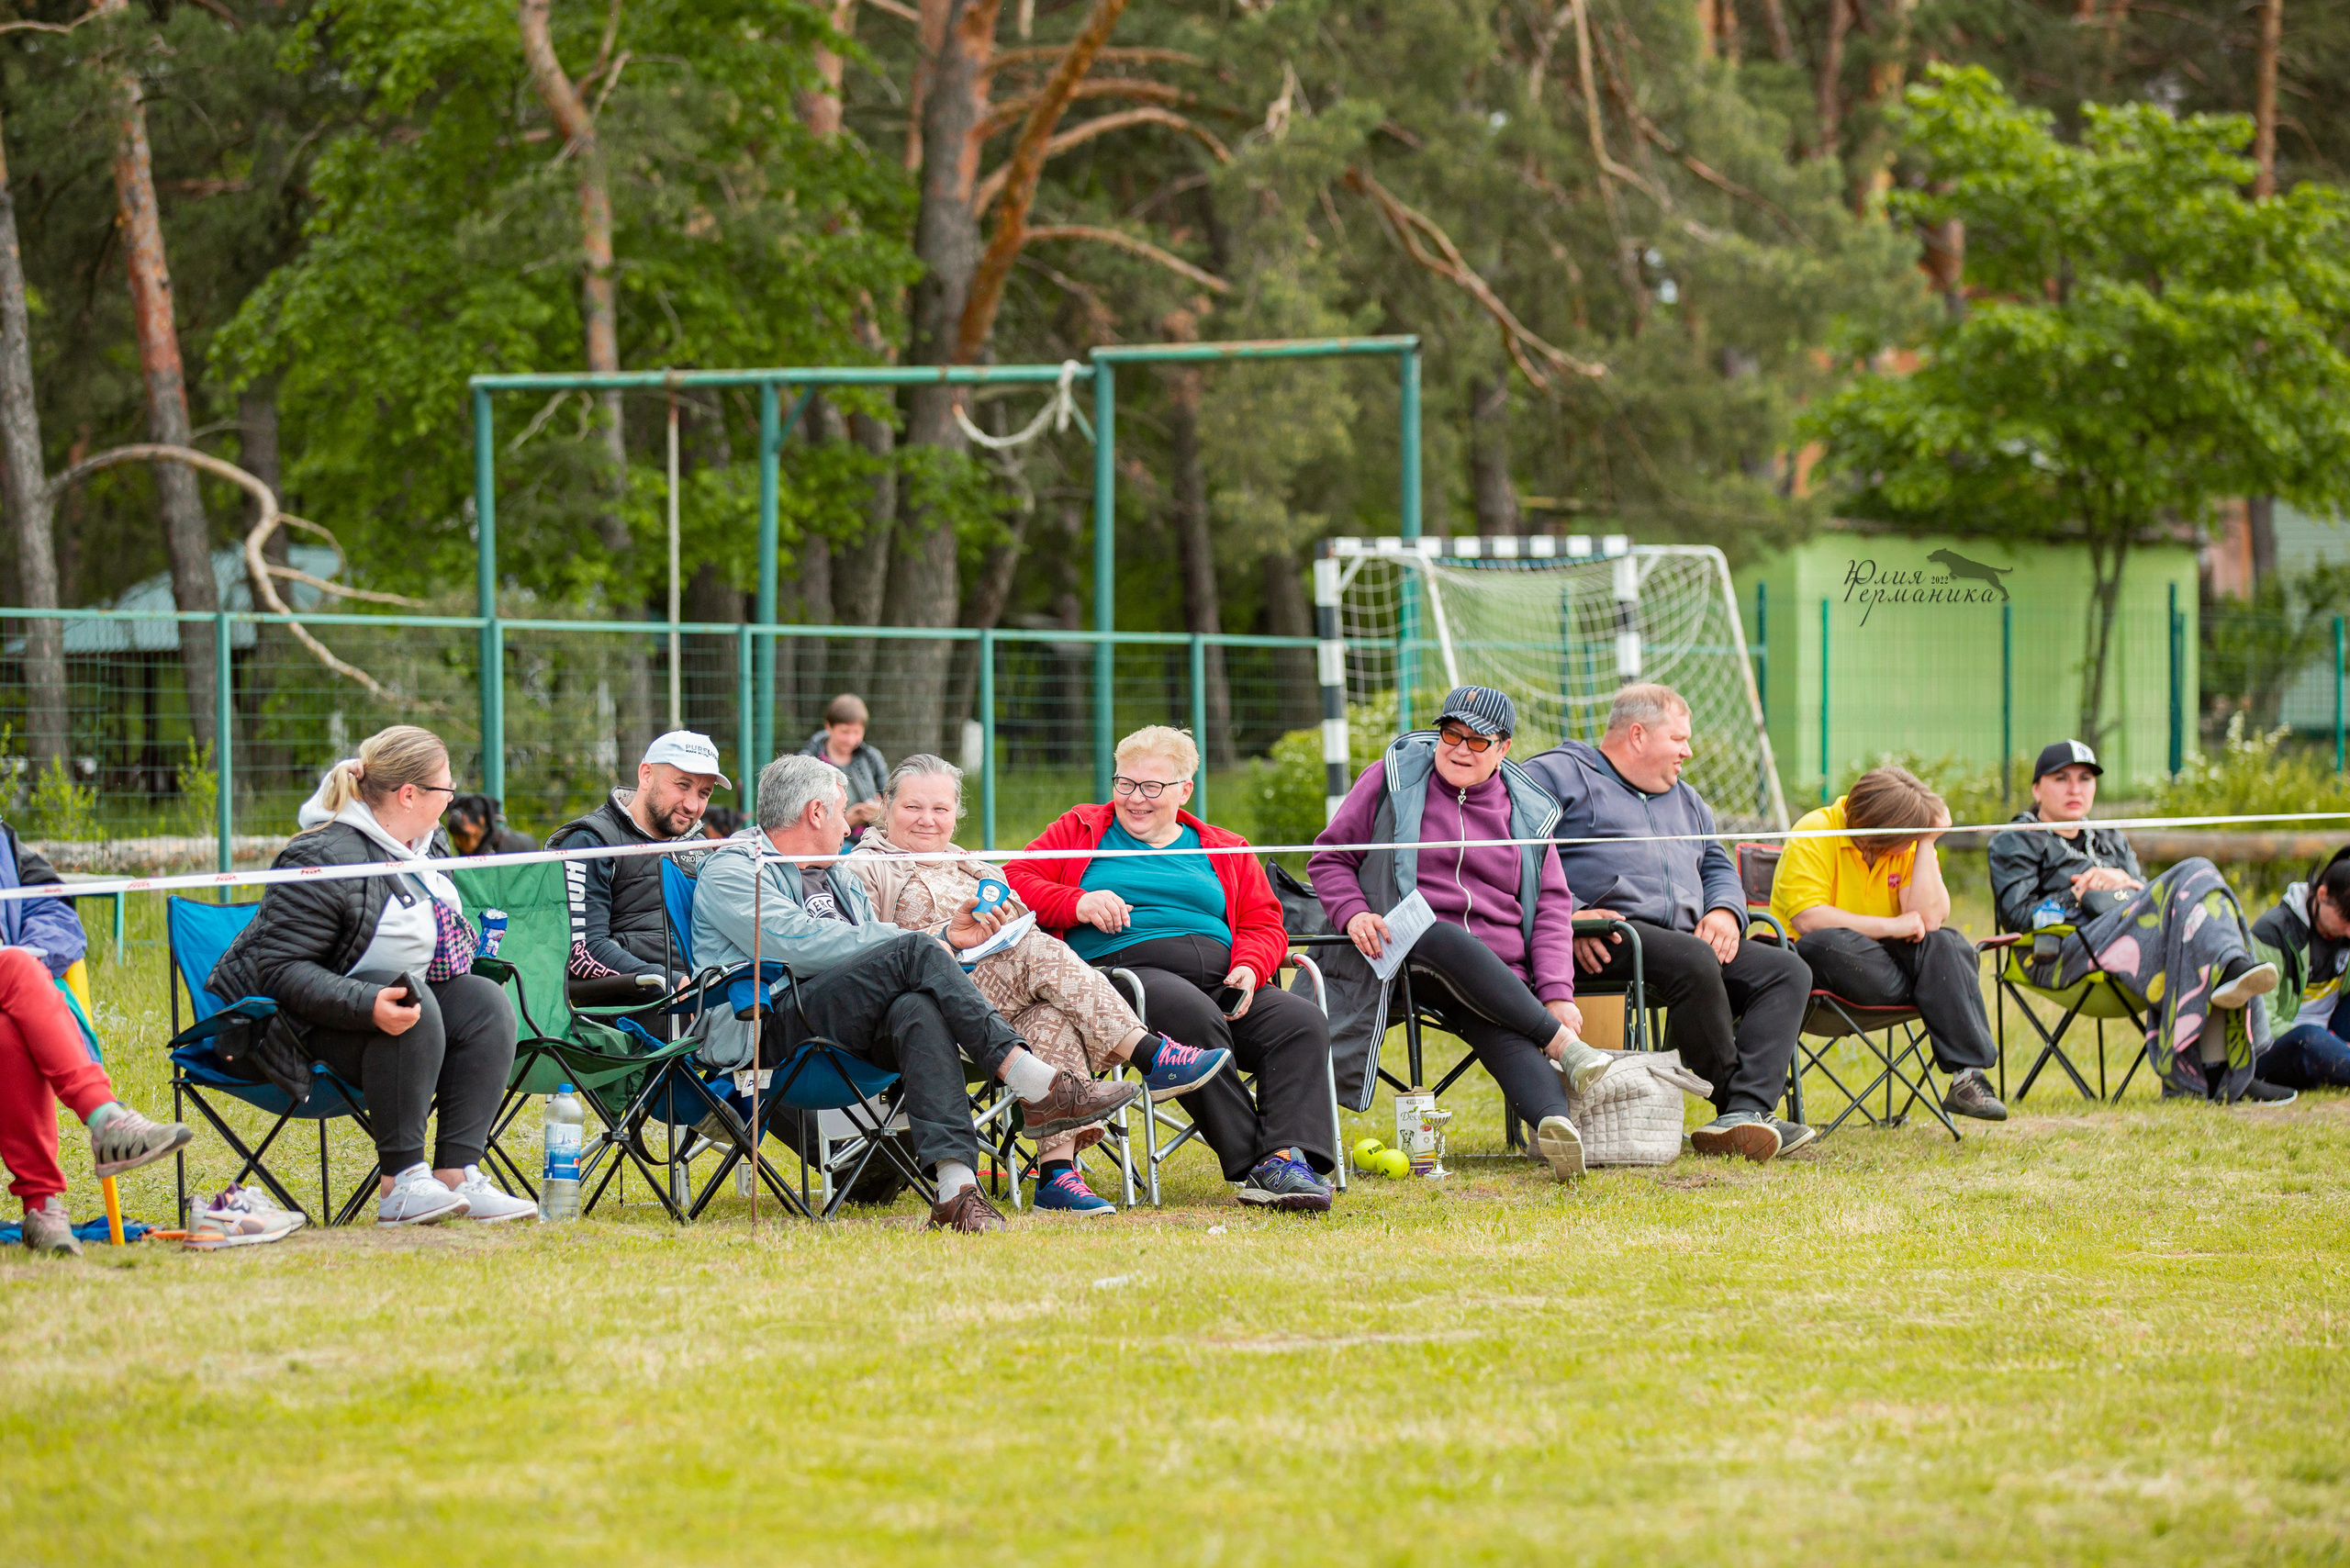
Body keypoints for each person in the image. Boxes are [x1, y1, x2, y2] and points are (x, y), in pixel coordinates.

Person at [691, 755, 1140, 1233]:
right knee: (914, 949)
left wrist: (929, 943)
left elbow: (866, 955)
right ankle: (1038, 1083)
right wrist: (933, 939)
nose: (848, 826)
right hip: (764, 1024)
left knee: (916, 1008)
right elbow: (795, 945)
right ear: (816, 813)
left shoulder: (836, 873)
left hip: (839, 1020)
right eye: (843, 812)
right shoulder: (736, 869)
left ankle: (956, 1191)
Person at [845, 756, 1233, 1215]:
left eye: (941, 809)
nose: (928, 820)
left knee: (1048, 1010)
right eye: (913, 808)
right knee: (1038, 951)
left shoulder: (974, 866)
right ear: (886, 805)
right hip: (925, 1003)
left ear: (956, 814)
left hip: (1002, 997)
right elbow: (865, 955)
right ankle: (1151, 1055)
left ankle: (1057, 1176)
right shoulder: (863, 867)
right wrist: (946, 937)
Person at [207, 725, 536, 1226]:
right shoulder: (319, 856)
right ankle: (399, 1183)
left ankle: (456, 1172)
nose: (451, 800)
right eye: (446, 790)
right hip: (299, 1029)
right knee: (408, 998)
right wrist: (367, 1003)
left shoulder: (431, 844)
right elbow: (279, 971)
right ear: (409, 795)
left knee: (485, 1002)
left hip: (398, 1014)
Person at [1008, 726, 1339, 1212]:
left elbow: (1265, 922)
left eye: (1151, 788)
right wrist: (1078, 902)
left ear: (1185, 790)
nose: (1134, 799)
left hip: (1225, 979)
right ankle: (1260, 1166)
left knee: (1301, 1023)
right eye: (1125, 784)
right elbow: (1016, 878)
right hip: (1126, 975)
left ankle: (1286, 1156)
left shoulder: (1223, 845)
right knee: (1192, 1017)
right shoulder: (1081, 829)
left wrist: (1250, 965)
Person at [1308, 686, 1618, 1182]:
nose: (1459, 748)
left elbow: (1554, 909)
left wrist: (1557, 993)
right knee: (1436, 930)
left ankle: (1555, 1128)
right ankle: (1563, 1045)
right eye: (1451, 733)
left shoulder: (1531, 810)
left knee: (1503, 1026)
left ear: (1504, 748)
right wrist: (1354, 913)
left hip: (1499, 976)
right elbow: (1330, 858)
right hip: (1400, 956)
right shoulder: (1391, 779)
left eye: (1478, 741)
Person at [1521, 685, 1816, 1162]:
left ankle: (1745, 1112)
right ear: (1637, 735)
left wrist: (1724, 910)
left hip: (1684, 941)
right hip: (1606, 936)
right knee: (1693, 957)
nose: (1688, 751)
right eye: (1678, 738)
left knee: (1787, 970)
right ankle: (1732, 1104)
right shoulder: (1557, 774)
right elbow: (1516, 853)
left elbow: (1717, 864)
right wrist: (1566, 916)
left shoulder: (1688, 800)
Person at [1990, 739, 2284, 1103]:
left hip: (2131, 942)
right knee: (2198, 871)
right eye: (2061, 778)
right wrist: (2078, 894)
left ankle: (2215, 1072)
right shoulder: (2017, 840)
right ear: (2037, 788)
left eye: (2085, 778)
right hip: (2062, 952)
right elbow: (2017, 918)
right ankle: (2225, 1017)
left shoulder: (2109, 837)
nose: (2075, 788)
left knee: (2198, 925)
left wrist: (2123, 881)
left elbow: (2148, 900)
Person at [1769, 766, 2008, 1122]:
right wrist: (1892, 926)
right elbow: (1808, 918)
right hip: (1825, 967)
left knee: (1948, 944)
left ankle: (1967, 1077)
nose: (1914, 840)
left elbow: (1928, 920)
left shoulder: (1911, 841)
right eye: (1913, 835)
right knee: (1823, 943)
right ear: (1875, 830)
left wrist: (1927, 842)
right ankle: (1936, 991)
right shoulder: (1815, 829)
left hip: (1886, 965)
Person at [1, 942, 195, 1255]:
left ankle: (41, 1206)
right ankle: (106, 1120)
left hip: (24, 995)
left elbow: (58, 924)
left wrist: (29, 946)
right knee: (15, 965)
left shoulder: (24, 888)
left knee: (6, 1029)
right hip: (20, 981)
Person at [549, 731, 727, 1006]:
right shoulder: (591, 842)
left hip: (708, 993)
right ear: (646, 775)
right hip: (638, 1006)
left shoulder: (699, 846)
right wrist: (668, 982)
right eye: (682, 785)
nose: (693, 805)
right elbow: (582, 951)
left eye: (704, 793)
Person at [2249, 847, 2350, 1092]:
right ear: (2323, 894)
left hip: (2333, 1033)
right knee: (2310, 1038)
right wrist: (2332, 1043)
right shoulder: (2272, 932)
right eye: (2345, 918)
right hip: (2285, 1042)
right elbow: (2261, 1023)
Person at [801, 694, 889, 846]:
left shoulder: (872, 758)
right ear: (828, 726)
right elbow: (800, 813)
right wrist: (845, 820)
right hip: (824, 842)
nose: (851, 740)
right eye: (845, 732)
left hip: (871, 838)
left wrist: (880, 813)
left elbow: (891, 799)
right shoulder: (808, 761)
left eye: (857, 733)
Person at [442, 794, 538, 857]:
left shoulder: (507, 854)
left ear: (487, 816)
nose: (456, 814)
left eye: (470, 811)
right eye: (453, 809)